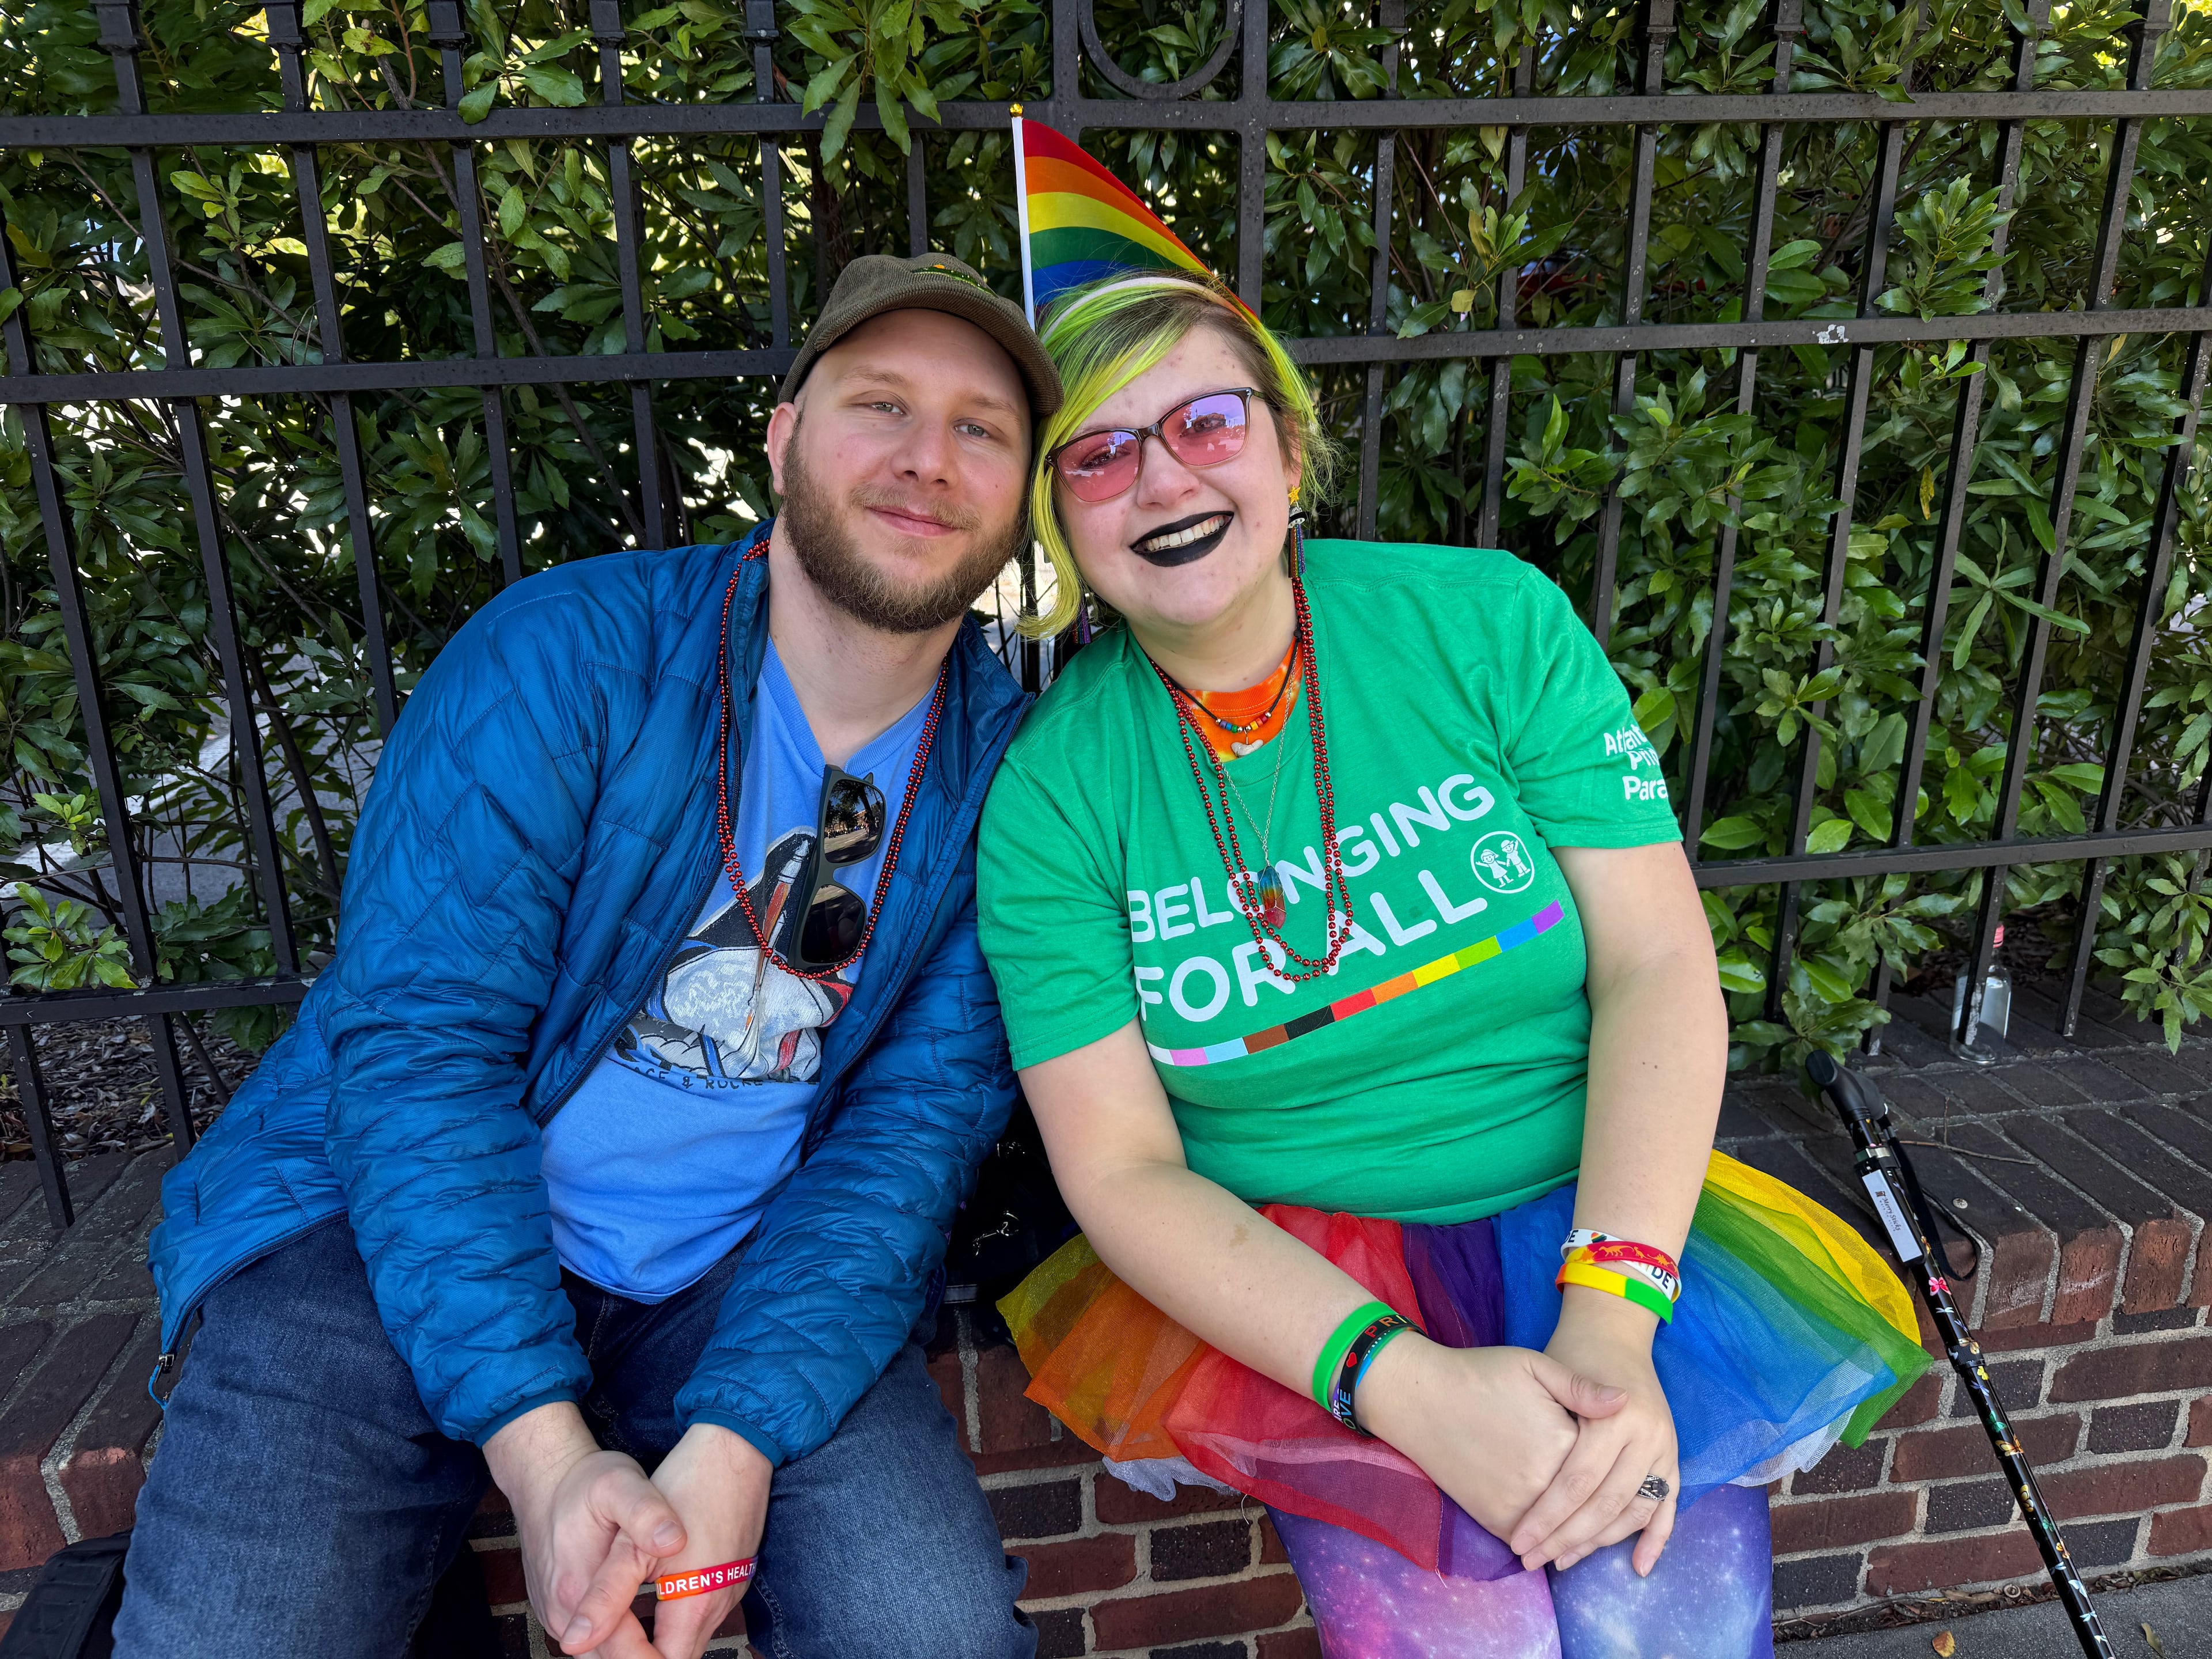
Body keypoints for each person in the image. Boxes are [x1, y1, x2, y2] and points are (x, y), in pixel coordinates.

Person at [118, 252, 1061, 1659]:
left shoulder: (1012, 777)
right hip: (371, 1225)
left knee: (935, 1633)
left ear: (1024, 489)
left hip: (736, 1260)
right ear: (787, 435)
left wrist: (736, 1447)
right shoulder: (569, 658)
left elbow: (908, 1142)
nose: (930, 459)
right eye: (882, 405)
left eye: (982, 427)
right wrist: (549, 1461)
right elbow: (423, 1057)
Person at [976, 270, 1929, 1658]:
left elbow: (1659, 963)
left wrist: (1611, 1331)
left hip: (1596, 1222)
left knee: (1678, 1637)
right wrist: (1402, 1387)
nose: (1163, 479)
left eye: (1208, 422)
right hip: (1310, 1286)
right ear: (1058, 513)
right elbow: (1119, 1165)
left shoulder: (1487, 626)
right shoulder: (1054, 794)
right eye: (1101, 452)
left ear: (1291, 445)